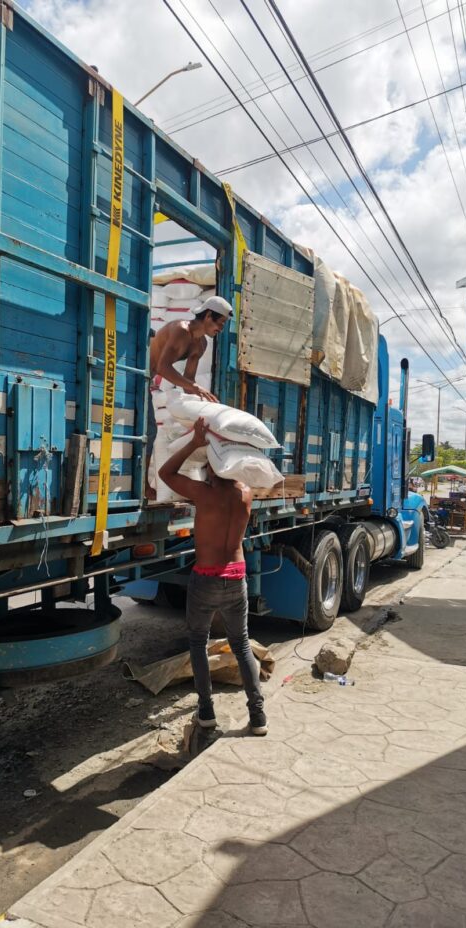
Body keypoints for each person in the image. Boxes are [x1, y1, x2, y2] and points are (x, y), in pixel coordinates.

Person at [158, 416, 267, 736]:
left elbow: (165, 473)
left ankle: (206, 712)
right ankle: (258, 716)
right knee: (241, 644)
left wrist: (193, 443)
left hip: (205, 578)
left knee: (197, 642)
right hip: (237, 578)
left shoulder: (204, 494)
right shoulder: (245, 493)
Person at [146, 296, 232, 499]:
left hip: (147, 381)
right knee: (148, 432)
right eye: (220, 323)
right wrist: (195, 387)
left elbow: (188, 380)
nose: (220, 328)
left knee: (151, 433)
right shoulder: (180, 330)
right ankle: (142, 486)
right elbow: (162, 367)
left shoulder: (200, 344)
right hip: (139, 375)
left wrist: (206, 404)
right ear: (209, 315)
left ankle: (145, 485)